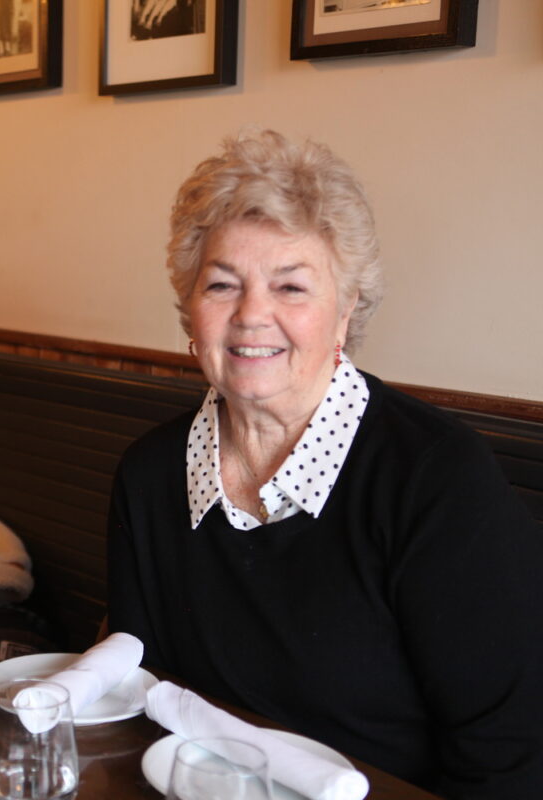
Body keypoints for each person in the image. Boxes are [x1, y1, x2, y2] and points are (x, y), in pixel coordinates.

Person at [107, 130, 543, 798]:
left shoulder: (435, 479)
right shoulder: (149, 474)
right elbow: (141, 694)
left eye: (291, 287)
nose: (253, 315)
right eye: (223, 284)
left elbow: (508, 755)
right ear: (190, 311)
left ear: (344, 314)